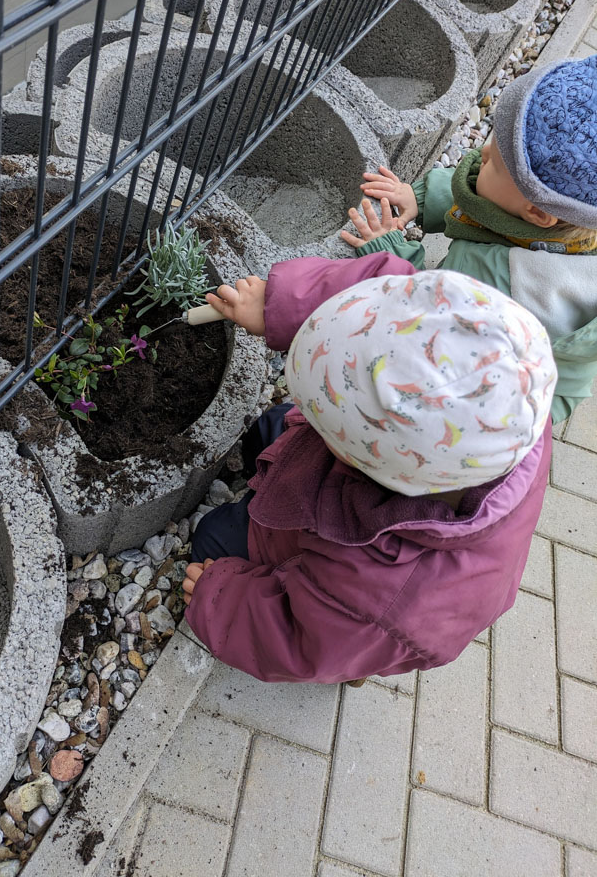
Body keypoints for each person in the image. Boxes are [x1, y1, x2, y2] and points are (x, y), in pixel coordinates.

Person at [181, 254, 556, 684]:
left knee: (213, 534)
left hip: (313, 571)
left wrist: (222, 598)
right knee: (272, 424)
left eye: (328, 427)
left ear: (374, 468)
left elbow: (299, 640)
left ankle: (356, 670)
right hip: (341, 522)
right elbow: (389, 287)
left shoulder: (383, 602)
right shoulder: (505, 399)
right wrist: (282, 306)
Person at [340, 53, 597, 425]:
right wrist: (423, 198)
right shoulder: (577, 224)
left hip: (471, 390)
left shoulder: (491, 277)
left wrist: (389, 252)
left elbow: (422, 306)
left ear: (538, 213)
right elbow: (492, 209)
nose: (484, 151)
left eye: (496, 163)